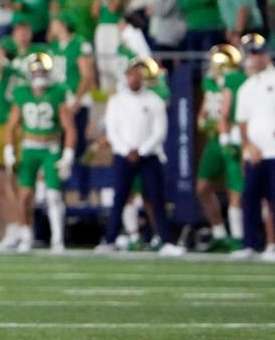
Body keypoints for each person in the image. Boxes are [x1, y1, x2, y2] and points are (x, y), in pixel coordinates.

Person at [98, 58, 184, 256]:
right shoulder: (117, 101)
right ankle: (110, 239)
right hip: (123, 154)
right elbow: (112, 130)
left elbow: (160, 131)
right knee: (120, 197)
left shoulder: (154, 100)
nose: (134, 77)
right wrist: (126, 149)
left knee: (156, 198)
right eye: (131, 73)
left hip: (149, 155)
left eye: (138, 73)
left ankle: (166, 240)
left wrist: (142, 150)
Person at [3, 53, 76, 253]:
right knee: (25, 195)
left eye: (43, 71)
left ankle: (57, 239)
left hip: (50, 148)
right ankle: (26, 235)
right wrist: (9, 149)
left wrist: (67, 154)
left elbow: (69, 127)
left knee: (53, 195)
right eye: (37, 71)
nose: (40, 74)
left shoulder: (57, 92)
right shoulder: (22, 93)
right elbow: (11, 126)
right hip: (29, 148)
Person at [196, 44, 247, 251]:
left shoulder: (237, 80)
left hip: (234, 139)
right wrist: (203, 122)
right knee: (202, 188)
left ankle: (239, 237)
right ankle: (220, 233)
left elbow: (232, 114)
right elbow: (204, 112)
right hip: (214, 140)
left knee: (236, 189)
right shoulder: (209, 82)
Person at [235, 33, 275, 260]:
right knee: (250, 198)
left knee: (273, 200)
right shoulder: (246, 88)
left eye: (258, 54)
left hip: (274, 151)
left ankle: (272, 245)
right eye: (252, 54)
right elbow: (242, 122)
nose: (254, 59)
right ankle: (249, 243)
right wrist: (249, 146)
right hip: (255, 154)